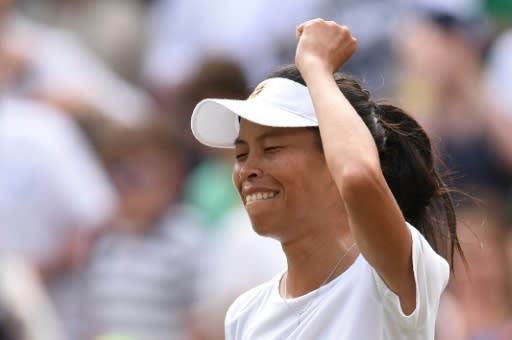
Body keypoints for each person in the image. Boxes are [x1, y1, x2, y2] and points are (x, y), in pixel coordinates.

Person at [190, 19, 463, 339]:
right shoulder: (244, 314)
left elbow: (358, 177)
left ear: (333, 159)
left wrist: (315, 65)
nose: (247, 169)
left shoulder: (385, 273)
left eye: (271, 148)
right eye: (240, 154)